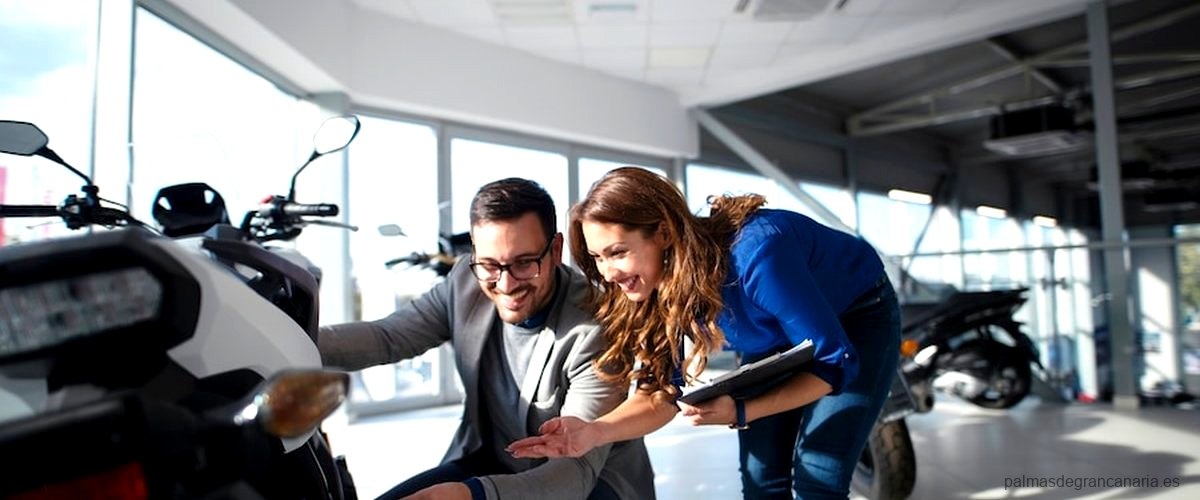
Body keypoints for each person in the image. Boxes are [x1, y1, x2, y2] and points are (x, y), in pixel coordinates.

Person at [507, 167, 901, 499]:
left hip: (857, 318)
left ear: (662, 233)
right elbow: (659, 395)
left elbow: (834, 365)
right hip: (774, 338)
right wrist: (594, 432)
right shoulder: (654, 284)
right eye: (597, 257)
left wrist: (742, 410)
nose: (608, 273)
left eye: (617, 252)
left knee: (818, 471)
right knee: (762, 479)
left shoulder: (758, 255)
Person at [318, 177, 655, 500]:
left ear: (555, 250)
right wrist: (288, 341)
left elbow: (572, 473)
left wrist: (473, 495)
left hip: (587, 481)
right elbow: (387, 337)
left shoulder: (598, 326)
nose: (506, 285)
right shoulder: (463, 284)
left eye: (524, 263)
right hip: (493, 461)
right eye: (489, 265)